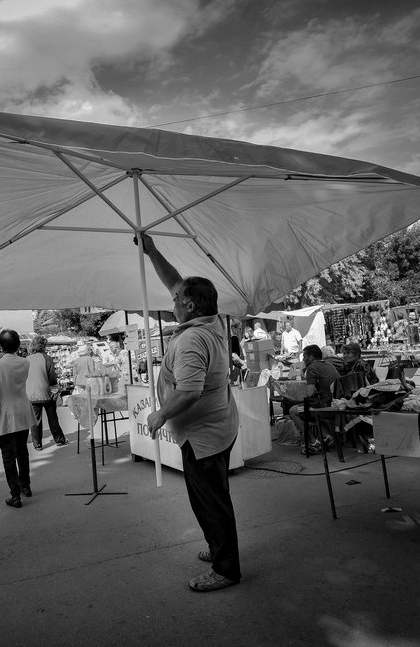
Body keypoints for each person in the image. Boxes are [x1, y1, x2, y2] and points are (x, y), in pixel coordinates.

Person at [139, 233, 241, 593]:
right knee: (212, 498)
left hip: (204, 437)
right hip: (217, 428)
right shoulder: (209, 319)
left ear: (191, 306)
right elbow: (175, 283)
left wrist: (159, 415)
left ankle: (225, 568)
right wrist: (152, 252)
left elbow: (189, 391)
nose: (173, 302)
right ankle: (218, 546)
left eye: (177, 300)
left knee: (210, 503)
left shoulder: (193, 339)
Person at [0, 329, 37, 508]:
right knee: (22, 451)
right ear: (17, 345)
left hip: (5, 412)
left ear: (1, 346)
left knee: (8, 455)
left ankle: (15, 495)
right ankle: (25, 486)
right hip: (22, 409)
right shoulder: (25, 362)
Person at [287, 344, 341, 455]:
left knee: (293, 410)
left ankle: (312, 442)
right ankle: (327, 436)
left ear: (311, 357)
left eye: (304, 356)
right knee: (313, 405)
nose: (303, 359)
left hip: (325, 408)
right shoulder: (329, 365)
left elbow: (309, 394)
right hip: (337, 404)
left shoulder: (312, 368)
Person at [26, 335, 69, 449]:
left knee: (35, 420)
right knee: (52, 417)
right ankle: (59, 439)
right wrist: (55, 390)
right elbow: (52, 378)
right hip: (46, 393)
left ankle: (37, 444)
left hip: (31, 394)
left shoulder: (26, 359)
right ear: (43, 346)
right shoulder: (47, 358)